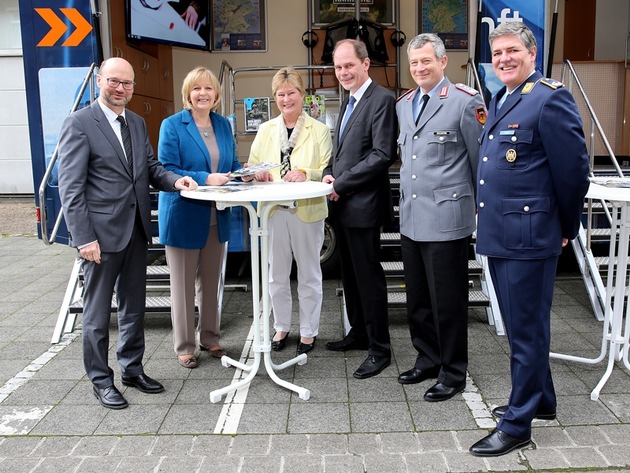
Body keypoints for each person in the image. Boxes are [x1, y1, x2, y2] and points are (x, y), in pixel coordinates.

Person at [470, 22, 590, 456]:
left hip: (529, 236)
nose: (503, 58)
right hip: (503, 235)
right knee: (526, 328)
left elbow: (574, 172)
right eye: (497, 52)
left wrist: (565, 226)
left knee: (525, 332)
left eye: (512, 51)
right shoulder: (503, 97)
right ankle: (542, 401)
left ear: (531, 54)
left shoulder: (549, 97)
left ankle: (517, 424)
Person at [57, 57, 198, 410]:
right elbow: (70, 188)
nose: (120, 88)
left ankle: (132, 369)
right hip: (100, 238)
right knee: (97, 313)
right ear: (99, 82)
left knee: (134, 308)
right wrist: (84, 238)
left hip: (136, 232)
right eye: (114, 81)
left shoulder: (135, 122)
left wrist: (174, 180)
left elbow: (149, 167)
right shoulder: (79, 123)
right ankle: (100, 379)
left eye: (127, 83)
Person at [395, 33, 486, 401]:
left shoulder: (465, 102)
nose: (419, 68)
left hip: (447, 220)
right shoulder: (404, 104)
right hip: (412, 217)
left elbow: (482, 162)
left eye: (426, 61)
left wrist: (482, 211)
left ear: (443, 62)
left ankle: (453, 371)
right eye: (414, 62)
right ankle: (427, 358)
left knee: (447, 302)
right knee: (416, 298)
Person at [157, 66, 242, 369]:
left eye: (208, 88)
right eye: (196, 88)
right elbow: (167, 169)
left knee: (210, 282)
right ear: (188, 94)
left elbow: (231, 163)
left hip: (216, 217)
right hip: (183, 215)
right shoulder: (172, 125)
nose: (202, 93)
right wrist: (207, 177)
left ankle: (210, 337)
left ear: (216, 95)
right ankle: (184, 345)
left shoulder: (222, 125)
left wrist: (243, 174)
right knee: (181, 286)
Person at [322, 39, 397, 379]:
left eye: (349, 65)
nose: (343, 72)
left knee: (368, 279)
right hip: (344, 206)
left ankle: (380, 349)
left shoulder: (381, 99)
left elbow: (382, 155)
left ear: (365, 64)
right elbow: (346, 152)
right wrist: (330, 172)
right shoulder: (349, 100)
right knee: (350, 278)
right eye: (338, 67)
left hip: (364, 206)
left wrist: (342, 183)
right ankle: (359, 333)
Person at [246, 67, 332, 354]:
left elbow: (326, 170)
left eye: (291, 93)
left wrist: (306, 172)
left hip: (306, 213)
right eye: (281, 95)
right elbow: (254, 164)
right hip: (273, 213)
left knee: (309, 274)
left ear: (302, 94)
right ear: (275, 98)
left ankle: (308, 331)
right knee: (276, 276)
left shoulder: (319, 130)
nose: (286, 99)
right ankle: (281, 327)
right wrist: (256, 174)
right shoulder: (265, 129)